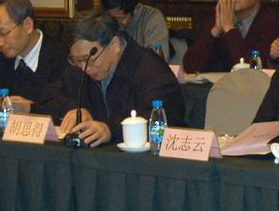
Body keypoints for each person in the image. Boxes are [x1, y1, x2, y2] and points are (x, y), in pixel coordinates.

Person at [40, 12, 185, 147]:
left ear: (115, 45)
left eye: (88, 60)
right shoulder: (80, 67)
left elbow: (162, 118)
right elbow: (47, 97)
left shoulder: (151, 69)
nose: (85, 68)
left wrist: (111, 129)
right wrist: (73, 109)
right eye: (77, 61)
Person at [0, 0, 67, 112]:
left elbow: (65, 108)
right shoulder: (0, 57)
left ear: (27, 25)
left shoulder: (62, 57)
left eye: (4, 33)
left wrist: (30, 109)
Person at [101, 0, 170, 58]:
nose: (116, 23)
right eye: (112, 18)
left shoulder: (153, 18)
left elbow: (155, 60)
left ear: (136, 8)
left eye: (120, 18)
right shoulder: (105, 21)